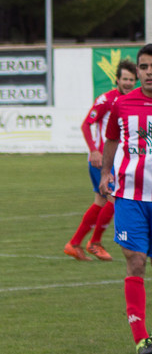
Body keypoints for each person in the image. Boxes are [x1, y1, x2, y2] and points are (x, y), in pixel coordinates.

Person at [100, 44, 152, 354]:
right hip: (130, 197)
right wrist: (105, 171)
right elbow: (112, 139)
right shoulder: (122, 104)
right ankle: (142, 339)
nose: (149, 72)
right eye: (144, 67)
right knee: (136, 260)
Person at [66, 59, 139, 261]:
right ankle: (94, 243)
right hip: (101, 160)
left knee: (100, 202)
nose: (128, 83)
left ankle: (74, 244)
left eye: (131, 80)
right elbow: (85, 125)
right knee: (114, 200)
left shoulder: (132, 100)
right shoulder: (106, 99)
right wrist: (93, 151)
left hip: (118, 161)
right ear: (117, 79)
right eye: (124, 79)